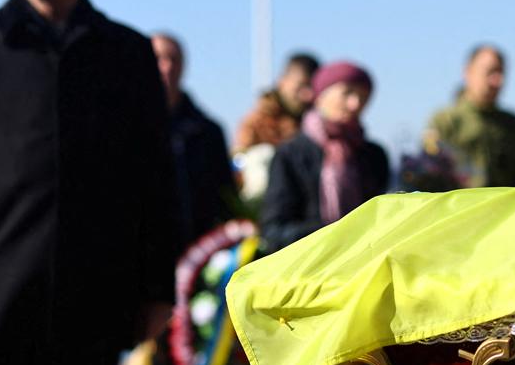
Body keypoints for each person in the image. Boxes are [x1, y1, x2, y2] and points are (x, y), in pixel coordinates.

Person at [0, 0, 177, 365]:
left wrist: (157, 288)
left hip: (96, 293)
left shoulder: (127, 53)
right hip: (4, 291)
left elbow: (156, 177)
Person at [260, 61, 389, 253]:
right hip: (308, 270)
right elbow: (274, 231)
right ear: (320, 96)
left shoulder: (373, 155)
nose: (355, 104)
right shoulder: (291, 154)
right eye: (347, 93)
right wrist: (336, 235)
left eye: (363, 97)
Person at [152, 33, 239, 252]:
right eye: (159, 58)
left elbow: (224, 196)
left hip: (199, 252)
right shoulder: (124, 128)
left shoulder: (208, 132)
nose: (167, 67)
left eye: (174, 59)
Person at [425, 45, 515, 188]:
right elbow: (429, 174)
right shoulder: (444, 121)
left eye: (501, 72)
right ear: (468, 72)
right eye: (490, 72)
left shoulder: (513, 125)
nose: (497, 81)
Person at [233, 52, 321, 152]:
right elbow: (238, 160)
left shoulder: (321, 124)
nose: (307, 95)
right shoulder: (256, 124)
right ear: (282, 81)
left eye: (312, 88)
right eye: (300, 86)